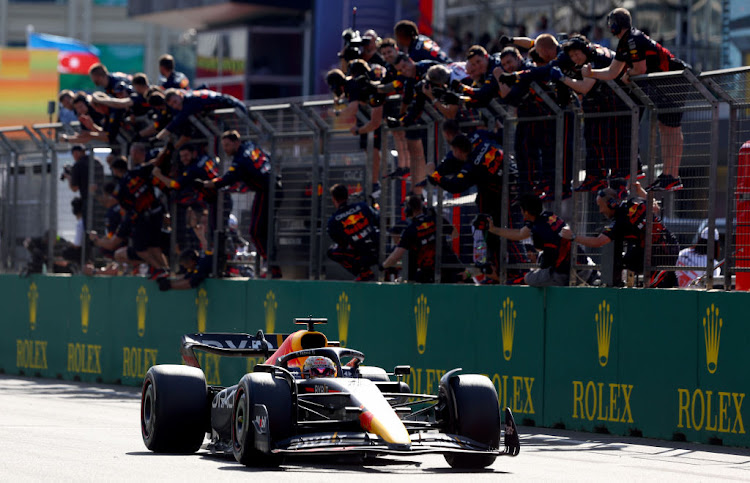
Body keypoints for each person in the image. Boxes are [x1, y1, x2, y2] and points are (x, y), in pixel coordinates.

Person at [582, 7, 689, 191]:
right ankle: (668, 175)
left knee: (672, 128)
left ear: (615, 25)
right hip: (665, 82)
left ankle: (672, 174)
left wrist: (628, 73)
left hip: (674, 79)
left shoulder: (632, 40)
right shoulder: (625, 41)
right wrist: (592, 73)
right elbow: (613, 71)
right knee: (665, 128)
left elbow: (639, 69)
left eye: (611, 24)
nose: (609, 28)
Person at [561, 187, 679, 287]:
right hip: (672, 246)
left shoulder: (619, 222)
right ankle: (664, 278)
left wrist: (573, 237)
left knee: (627, 262)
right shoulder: (635, 202)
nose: (600, 211)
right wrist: (640, 190)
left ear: (611, 204)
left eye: (601, 206)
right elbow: (655, 208)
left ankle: (635, 280)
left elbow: (599, 242)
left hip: (658, 255)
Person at [204, 130, 281, 278]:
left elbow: (228, 178)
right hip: (271, 187)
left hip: (267, 192)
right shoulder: (251, 146)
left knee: (256, 232)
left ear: (237, 142)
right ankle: (271, 266)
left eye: (227, 145)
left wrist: (209, 184)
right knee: (264, 232)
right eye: (223, 145)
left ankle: (271, 266)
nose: (225, 149)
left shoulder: (240, 159)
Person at [487, 193, 570, 286]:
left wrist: (543, 267)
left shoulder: (539, 228)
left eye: (521, 209)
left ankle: (509, 285)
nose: (521, 212)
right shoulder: (549, 217)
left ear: (526, 211)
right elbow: (519, 234)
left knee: (528, 278)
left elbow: (548, 255)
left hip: (563, 272)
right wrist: (492, 229)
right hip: (577, 265)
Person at [382, 194, 462, 283]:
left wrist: (383, 266)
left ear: (409, 209)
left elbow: (396, 255)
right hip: (449, 266)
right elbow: (455, 234)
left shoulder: (410, 230)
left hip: (429, 273)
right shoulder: (436, 219)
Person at [326, 183, 380, 281]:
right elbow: (377, 220)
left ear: (333, 199)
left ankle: (363, 272)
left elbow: (341, 243)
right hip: (379, 249)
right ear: (347, 195)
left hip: (362, 256)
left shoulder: (333, 221)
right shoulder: (363, 206)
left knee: (331, 252)